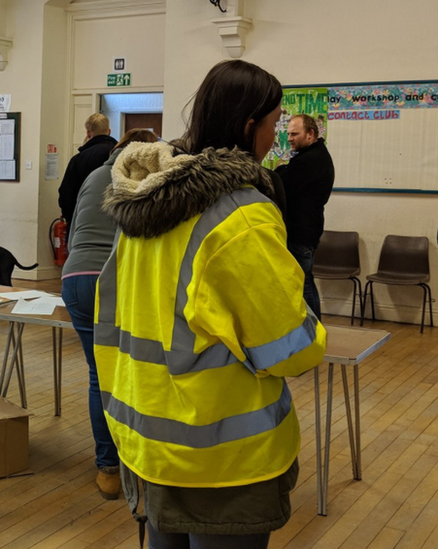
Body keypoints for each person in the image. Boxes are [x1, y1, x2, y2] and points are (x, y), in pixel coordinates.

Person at [95, 59, 326, 548]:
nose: (276, 135)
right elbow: (292, 349)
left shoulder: (142, 205)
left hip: (147, 439)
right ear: (249, 126)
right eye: (273, 122)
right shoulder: (240, 215)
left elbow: (110, 314)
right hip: (221, 456)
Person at [60, 128, 157, 500]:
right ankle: (136, 465)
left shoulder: (94, 175)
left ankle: (108, 468)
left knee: (99, 375)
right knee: (135, 373)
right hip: (114, 280)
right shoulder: (143, 178)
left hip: (75, 276)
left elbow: (73, 231)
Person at [275, 113, 336, 319]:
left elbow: (281, 184)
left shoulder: (309, 160)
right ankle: (311, 328)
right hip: (307, 230)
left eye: (294, 134)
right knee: (304, 281)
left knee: (302, 283)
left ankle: (314, 328)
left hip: (300, 232)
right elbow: (284, 173)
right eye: (288, 134)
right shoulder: (315, 156)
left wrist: (280, 172)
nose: (290, 138)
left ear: (310, 134)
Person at [57, 113, 117, 222]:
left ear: (88, 133)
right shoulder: (121, 154)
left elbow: (66, 195)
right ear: (109, 131)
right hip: (116, 220)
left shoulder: (79, 159)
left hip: (84, 219)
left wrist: (71, 220)